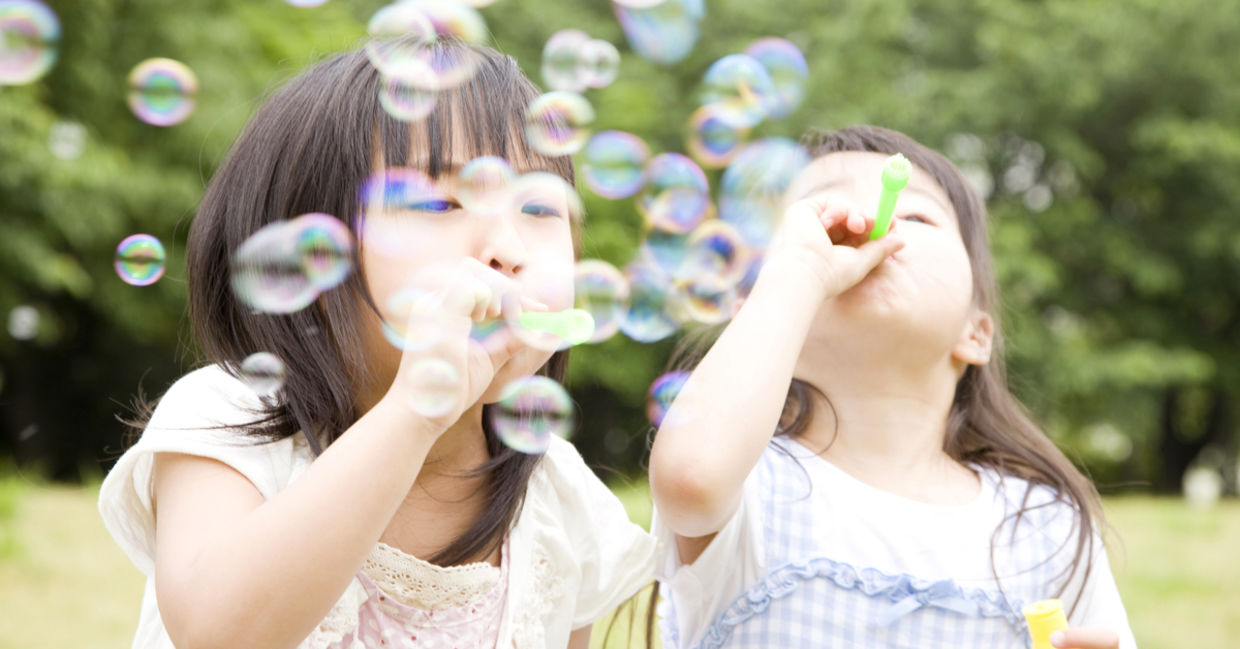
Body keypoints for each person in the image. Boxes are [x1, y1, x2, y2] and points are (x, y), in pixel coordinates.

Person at [98, 37, 655, 649]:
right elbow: (218, 634)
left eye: (540, 209)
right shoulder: (230, 420)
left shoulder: (559, 497)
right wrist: (416, 409)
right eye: (439, 200)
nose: (509, 250)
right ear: (309, 259)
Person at [648, 125, 1137, 649]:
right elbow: (689, 479)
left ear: (976, 332)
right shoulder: (747, 482)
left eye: (916, 216)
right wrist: (799, 270)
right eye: (820, 214)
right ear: (756, 314)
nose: (868, 223)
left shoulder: (1044, 528)